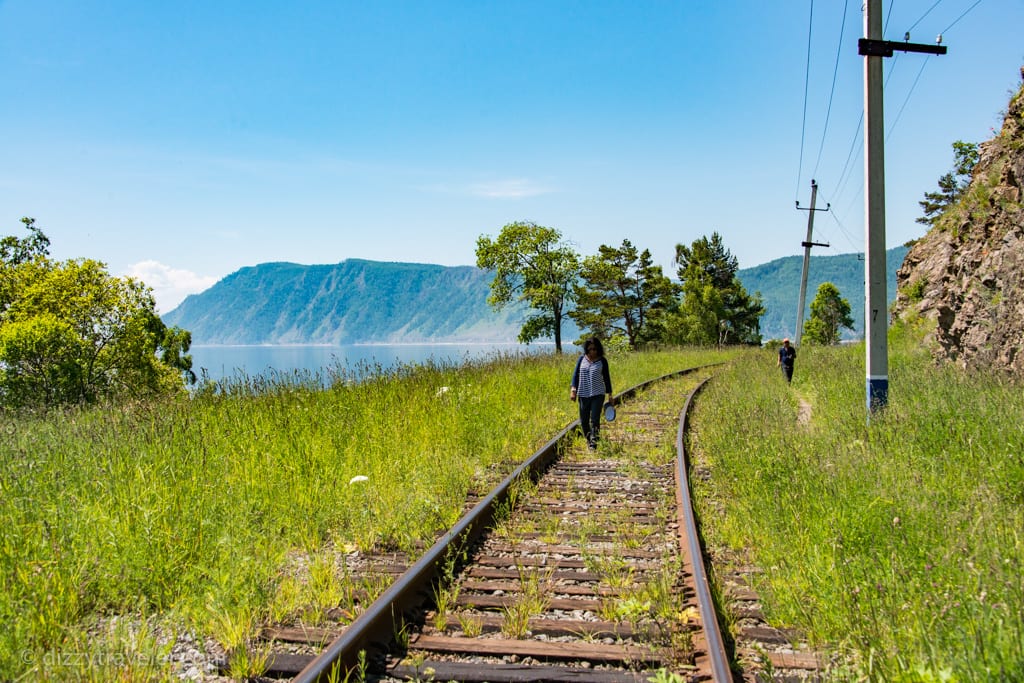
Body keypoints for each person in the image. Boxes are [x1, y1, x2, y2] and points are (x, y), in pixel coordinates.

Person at [570, 337, 614, 450]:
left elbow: (606, 378)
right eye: (589, 349)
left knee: (594, 418)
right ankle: (589, 439)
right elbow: (575, 375)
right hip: (583, 394)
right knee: (584, 420)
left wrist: (610, 395)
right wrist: (573, 390)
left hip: (598, 394)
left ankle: (594, 442)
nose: (592, 351)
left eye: (594, 349)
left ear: (598, 349)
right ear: (586, 349)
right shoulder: (581, 359)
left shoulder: (602, 361)